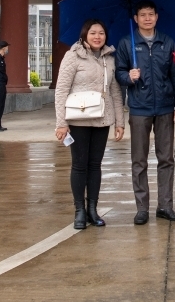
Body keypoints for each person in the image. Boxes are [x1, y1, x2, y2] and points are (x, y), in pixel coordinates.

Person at [115, 0, 175, 225]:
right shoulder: (126, 43)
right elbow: (118, 73)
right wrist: (128, 76)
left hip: (165, 107)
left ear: (156, 17)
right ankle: (142, 208)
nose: (147, 18)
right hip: (139, 108)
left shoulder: (167, 42)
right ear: (135, 18)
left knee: (166, 159)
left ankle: (165, 206)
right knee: (139, 160)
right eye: (143, 15)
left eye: (151, 14)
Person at [54, 20, 125, 230]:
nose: (97, 37)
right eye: (93, 33)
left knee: (95, 165)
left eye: (101, 33)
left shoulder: (109, 59)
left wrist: (119, 122)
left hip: (102, 119)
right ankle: (79, 211)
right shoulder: (72, 56)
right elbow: (61, 90)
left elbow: (115, 92)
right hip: (78, 119)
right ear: (85, 35)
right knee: (79, 165)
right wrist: (61, 123)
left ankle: (92, 209)